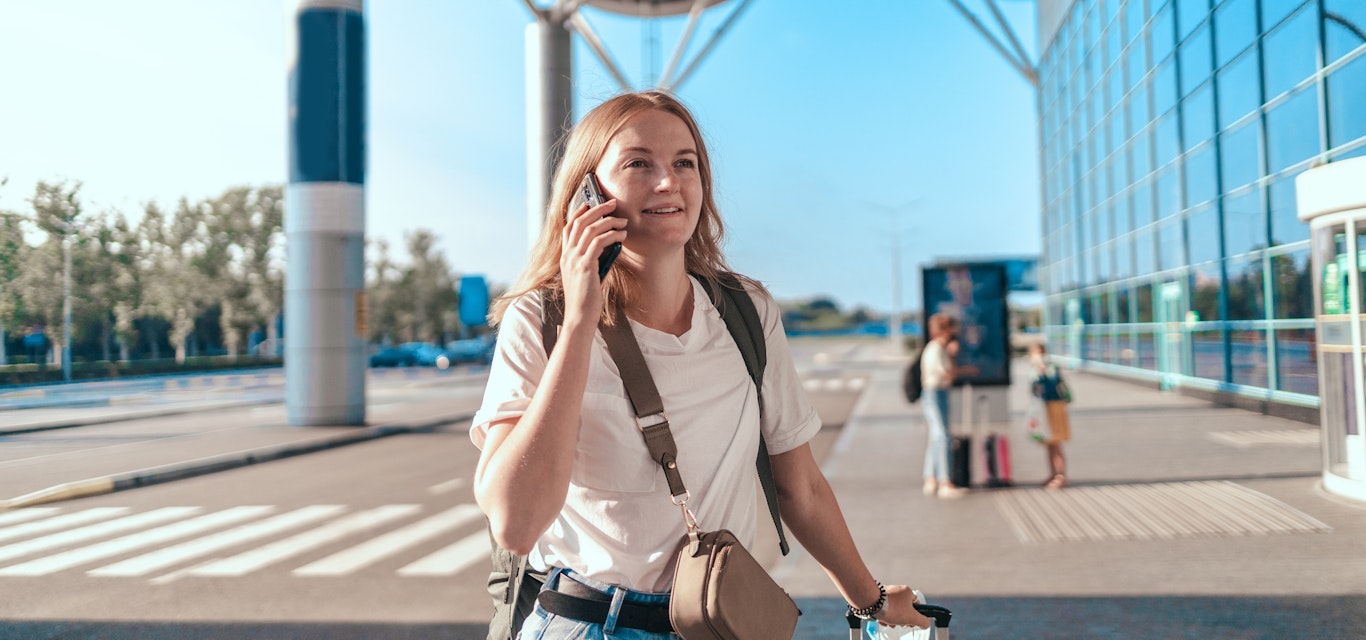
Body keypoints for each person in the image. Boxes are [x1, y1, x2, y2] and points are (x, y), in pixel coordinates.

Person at [471, 90, 933, 639]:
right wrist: (579, 323)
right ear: (587, 194)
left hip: (717, 624)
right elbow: (516, 524)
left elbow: (801, 488)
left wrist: (873, 602)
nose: (668, 182)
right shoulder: (540, 319)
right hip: (589, 623)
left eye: (684, 163)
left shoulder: (746, 313)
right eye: (638, 163)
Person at [920, 313, 968, 499]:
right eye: (952, 327)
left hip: (934, 392)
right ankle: (945, 481)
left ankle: (930, 478)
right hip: (935, 393)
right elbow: (947, 375)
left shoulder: (934, 348)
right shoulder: (937, 349)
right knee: (942, 435)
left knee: (936, 436)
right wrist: (955, 359)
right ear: (945, 329)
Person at [1028, 342, 1071, 489]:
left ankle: (1061, 475)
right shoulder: (1032, 370)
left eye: (1041, 353)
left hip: (1054, 407)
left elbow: (1053, 384)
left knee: (1056, 442)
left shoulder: (1051, 368)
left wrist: (1043, 371)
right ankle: (1052, 473)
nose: (1039, 357)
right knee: (1048, 444)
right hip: (1042, 409)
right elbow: (1034, 391)